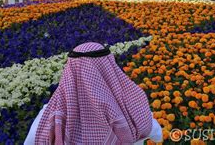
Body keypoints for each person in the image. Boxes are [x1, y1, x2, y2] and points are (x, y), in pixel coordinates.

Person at [26, 42, 162, 144]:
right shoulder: (134, 111)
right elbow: (157, 134)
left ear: (70, 70)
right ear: (109, 66)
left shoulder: (49, 119)